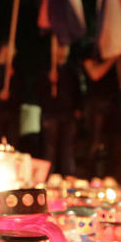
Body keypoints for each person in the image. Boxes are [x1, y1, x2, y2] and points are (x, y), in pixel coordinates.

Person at [36, 44, 79, 175]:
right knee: (50, 149)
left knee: (68, 148)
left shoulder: (71, 70)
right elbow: (37, 92)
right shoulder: (46, 69)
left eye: (65, 47)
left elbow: (77, 91)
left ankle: (68, 176)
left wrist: (78, 108)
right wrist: (48, 81)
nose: (63, 50)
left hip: (67, 113)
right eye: (60, 47)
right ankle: (49, 176)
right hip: (51, 113)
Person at [82, 44, 121, 173]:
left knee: (114, 141)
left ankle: (112, 176)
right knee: (95, 140)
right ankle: (90, 175)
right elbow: (95, 74)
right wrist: (113, 59)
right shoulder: (90, 51)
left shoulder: (114, 48)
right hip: (96, 102)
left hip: (113, 101)